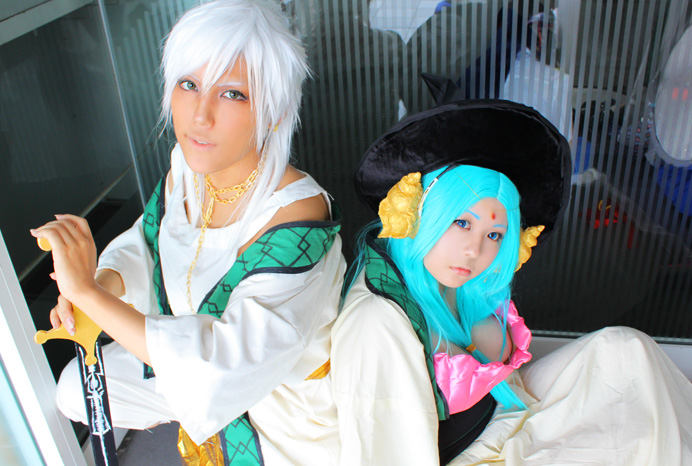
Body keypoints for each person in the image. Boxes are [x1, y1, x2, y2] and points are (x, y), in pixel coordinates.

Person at [31, 1, 346, 464]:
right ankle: (190, 400)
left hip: (280, 404)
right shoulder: (191, 165)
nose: (201, 115)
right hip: (196, 361)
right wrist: (100, 286)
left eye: (233, 94)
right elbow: (149, 242)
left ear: (275, 112)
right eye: (189, 84)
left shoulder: (298, 216)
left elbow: (228, 365)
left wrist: (87, 293)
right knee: (75, 391)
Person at [331, 100, 692, 465]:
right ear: (421, 213)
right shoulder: (377, 321)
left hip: (506, 412)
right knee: (637, 438)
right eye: (462, 223)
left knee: (626, 350)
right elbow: (382, 451)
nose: (474, 250)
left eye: (494, 235)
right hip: (477, 453)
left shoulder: (450, 279)